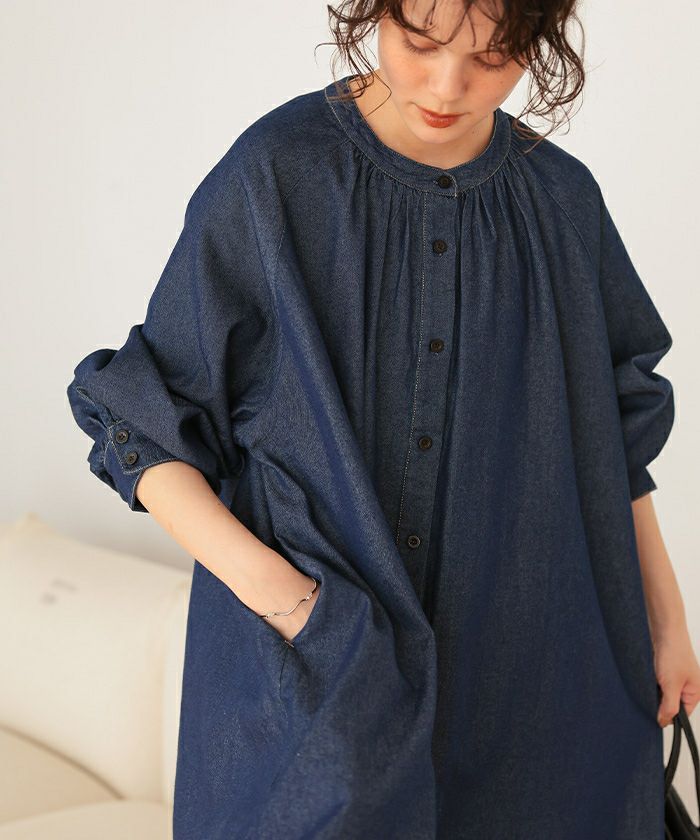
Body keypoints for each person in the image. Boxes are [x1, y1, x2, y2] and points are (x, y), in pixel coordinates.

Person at [66, 0, 700, 837]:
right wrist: (295, 606)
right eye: (420, 42)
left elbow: (612, 437)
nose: (446, 86)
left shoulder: (562, 199)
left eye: (493, 58)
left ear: (540, 45)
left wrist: (667, 619)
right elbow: (141, 424)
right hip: (315, 678)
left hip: (542, 673)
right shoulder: (276, 174)